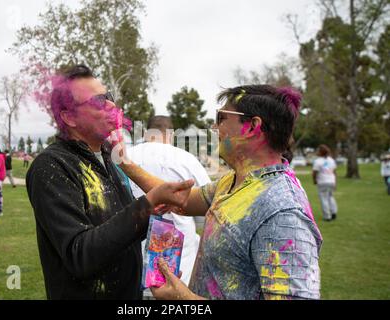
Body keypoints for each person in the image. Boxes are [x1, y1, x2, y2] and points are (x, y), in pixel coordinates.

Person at [117, 85, 323, 300]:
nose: (215, 127)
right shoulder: (236, 181)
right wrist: (124, 162)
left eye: (222, 117)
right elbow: (184, 200)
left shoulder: (283, 213)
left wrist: (184, 299)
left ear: (252, 127)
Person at [25, 64, 194, 300]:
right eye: (98, 101)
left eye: (109, 97)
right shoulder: (51, 166)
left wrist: (152, 211)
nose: (112, 106)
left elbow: (117, 229)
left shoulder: (109, 157)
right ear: (69, 117)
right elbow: (80, 255)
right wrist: (146, 205)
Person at [127, 115, 211, 295]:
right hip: (178, 275)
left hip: (129, 267)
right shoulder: (188, 160)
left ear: (146, 133)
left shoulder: (125, 158)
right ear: (171, 134)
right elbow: (206, 217)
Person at [312, 145, 338, 221]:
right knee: (330, 196)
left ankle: (327, 216)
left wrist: (314, 180)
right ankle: (334, 212)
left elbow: (314, 172)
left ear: (320, 152)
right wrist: (335, 182)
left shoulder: (318, 161)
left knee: (324, 198)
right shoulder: (331, 160)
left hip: (323, 182)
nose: (317, 152)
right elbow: (334, 172)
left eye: (318, 150)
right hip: (331, 181)